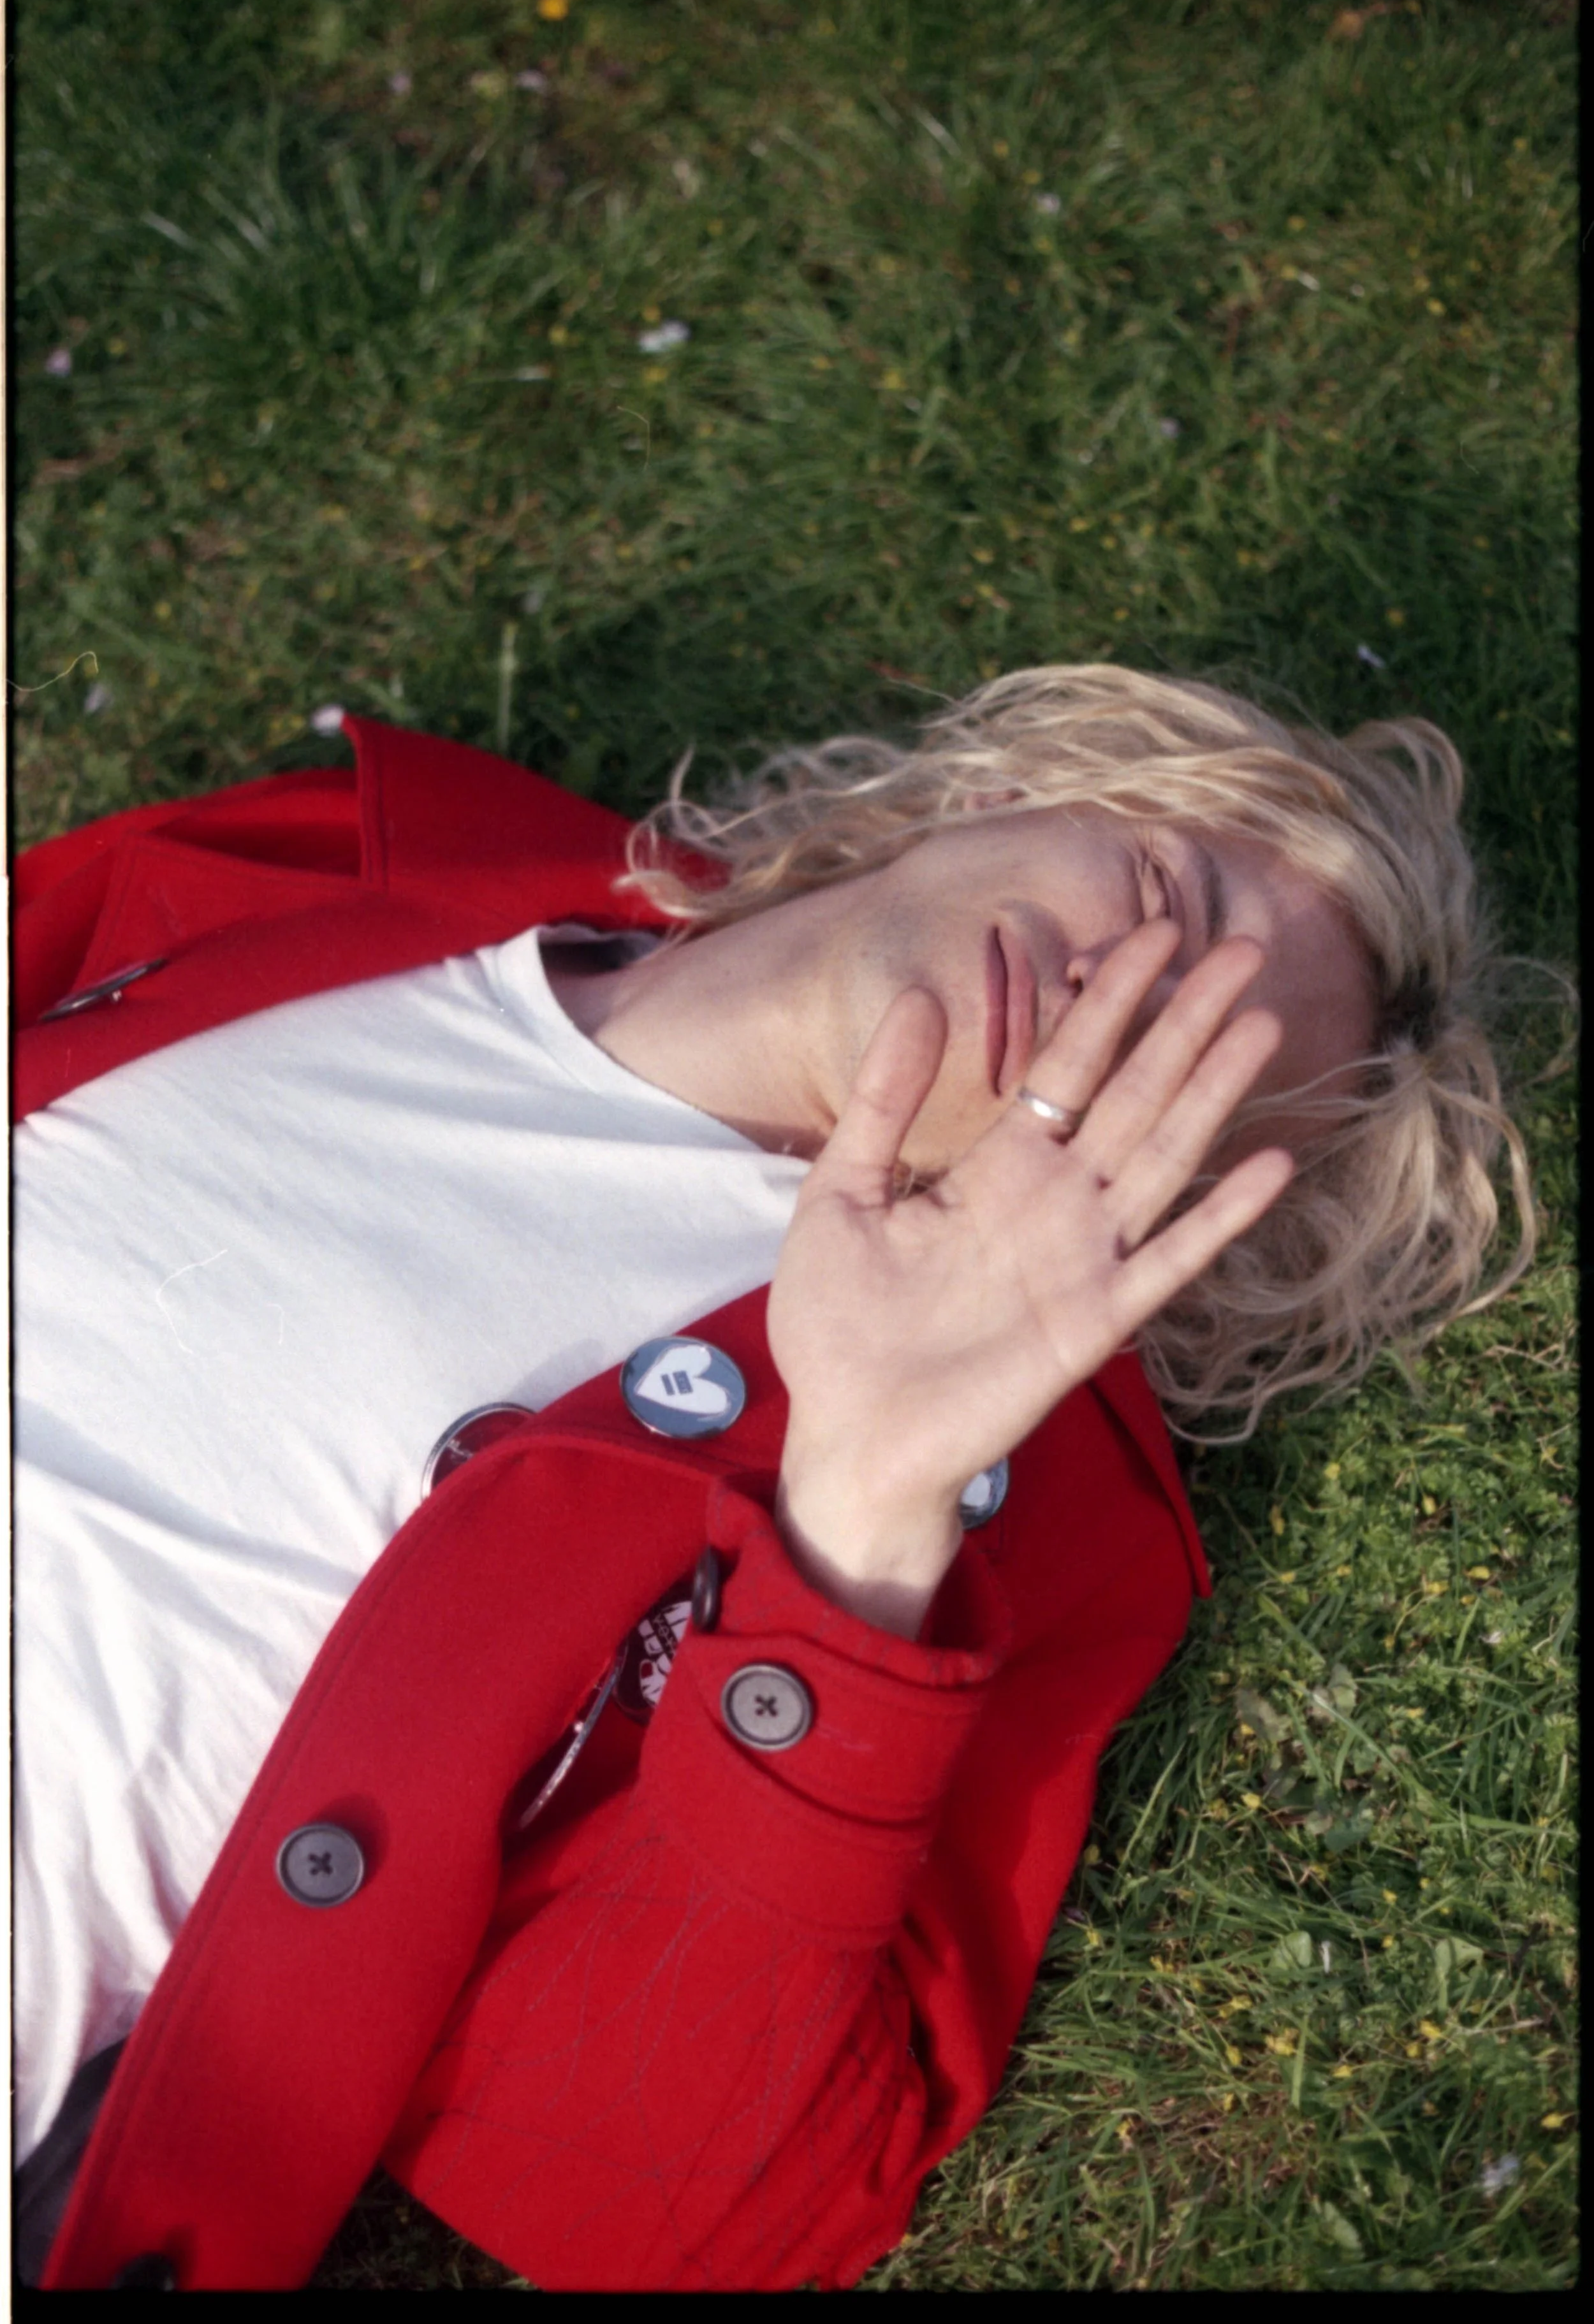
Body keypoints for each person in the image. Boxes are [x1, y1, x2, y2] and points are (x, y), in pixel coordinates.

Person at [11, 664, 1533, 2290]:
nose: (1106, 993)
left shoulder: (983, 1499)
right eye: (1161, 895)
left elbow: (668, 2200)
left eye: (1178, 1068)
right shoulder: (386, 866)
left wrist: (861, 1515)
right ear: (1013, 788)